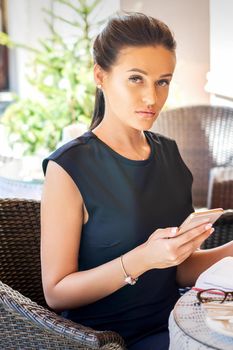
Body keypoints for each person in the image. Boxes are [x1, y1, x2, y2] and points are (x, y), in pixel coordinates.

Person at [41, 12, 233, 350]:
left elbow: (179, 268)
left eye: (163, 81)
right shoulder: (68, 167)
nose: (152, 98)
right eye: (136, 79)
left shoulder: (169, 154)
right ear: (100, 76)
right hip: (106, 340)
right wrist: (142, 258)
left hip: (179, 323)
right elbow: (56, 293)